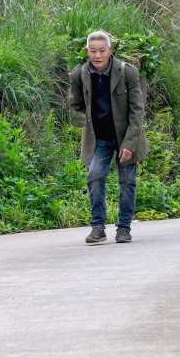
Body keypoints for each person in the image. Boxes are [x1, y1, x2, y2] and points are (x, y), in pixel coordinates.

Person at [68, 30, 149, 244]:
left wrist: (129, 143)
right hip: (99, 138)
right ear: (87, 52)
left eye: (102, 51)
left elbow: (137, 111)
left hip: (126, 137)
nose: (97, 56)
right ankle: (98, 227)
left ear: (110, 51)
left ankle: (124, 228)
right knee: (94, 175)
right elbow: (75, 102)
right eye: (93, 51)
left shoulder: (127, 72)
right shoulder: (79, 74)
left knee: (127, 180)